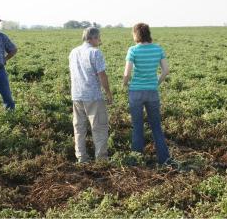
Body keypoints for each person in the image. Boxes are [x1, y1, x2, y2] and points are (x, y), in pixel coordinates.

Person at [123, 23, 174, 165]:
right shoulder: (158, 49)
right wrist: (156, 83)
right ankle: (164, 159)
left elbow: (127, 73)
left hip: (136, 92)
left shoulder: (133, 50)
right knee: (156, 126)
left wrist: (125, 84)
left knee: (137, 126)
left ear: (136, 34)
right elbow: (166, 71)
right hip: (152, 92)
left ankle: (136, 160)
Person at [69, 27, 113, 163]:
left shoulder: (73, 52)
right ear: (92, 38)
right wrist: (108, 92)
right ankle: (101, 160)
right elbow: (102, 75)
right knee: (99, 127)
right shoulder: (95, 52)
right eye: (98, 38)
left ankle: (81, 158)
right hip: (93, 96)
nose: (99, 41)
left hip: (77, 95)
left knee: (79, 128)